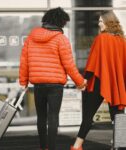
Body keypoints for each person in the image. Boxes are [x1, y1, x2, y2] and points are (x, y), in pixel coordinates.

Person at [19, 7, 87, 150]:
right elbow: (69, 64)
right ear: (60, 22)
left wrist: (23, 81)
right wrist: (80, 82)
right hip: (55, 85)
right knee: (53, 117)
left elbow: (24, 60)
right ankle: (52, 148)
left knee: (41, 117)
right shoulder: (61, 39)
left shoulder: (31, 37)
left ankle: (43, 147)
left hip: (38, 84)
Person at [71, 11, 126, 150]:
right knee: (118, 117)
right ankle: (118, 145)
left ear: (109, 22)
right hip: (115, 84)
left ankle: (77, 146)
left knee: (88, 115)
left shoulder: (101, 38)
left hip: (98, 81)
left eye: (101, 21)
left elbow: (92, 64)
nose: (99, 23)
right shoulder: (122, 41)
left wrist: (84, 81)